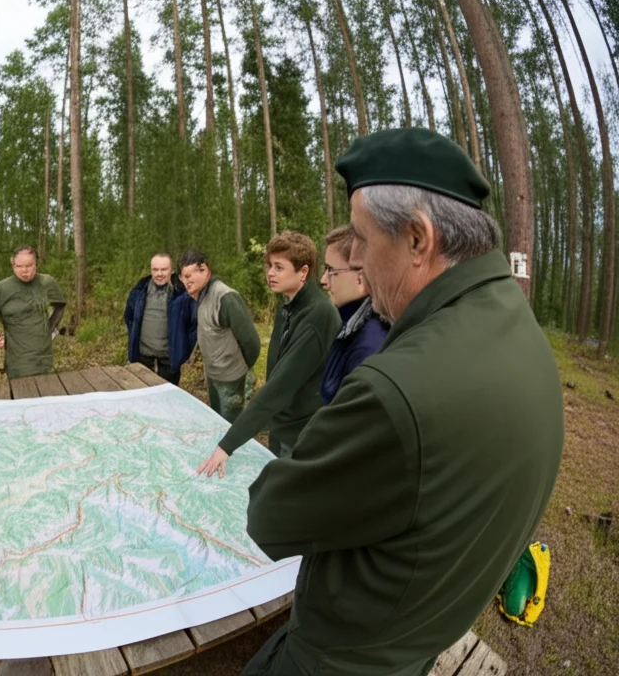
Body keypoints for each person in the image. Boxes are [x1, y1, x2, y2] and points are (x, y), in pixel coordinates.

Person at [242, 128, 563, 675]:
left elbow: (269, 516)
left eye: (363, 243)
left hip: (340, 657)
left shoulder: (398, 389)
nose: (359, 264)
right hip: (416, 637)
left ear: (418, 239)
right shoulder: (518, 332)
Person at [198, 232, 340, 477]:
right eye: (269, 266)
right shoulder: (287, 304)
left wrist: (226, 445)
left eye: (279, 267)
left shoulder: (319, 315)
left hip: (302, 435)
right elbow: (275, 368)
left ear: (303, 272)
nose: (270, 273)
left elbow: (281, 385)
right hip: (280, 423)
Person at [179, 249, 260, 422]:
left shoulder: (225, 297)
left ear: (205, 270)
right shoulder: (201, 297)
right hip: (213, 375)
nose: (187, 281)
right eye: (184, 277)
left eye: (190, 275)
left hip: (232, 378)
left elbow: (251, 341)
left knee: (231, 428)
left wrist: (243, 370)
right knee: (218, 421)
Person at [0, 246, 67, 379]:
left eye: (29, 265)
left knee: (44, 394)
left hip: (43, 358)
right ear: (13, 265)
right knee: (21, 394)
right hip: (17, 361)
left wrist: (49, 329)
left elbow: (60, 305)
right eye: (19, 266)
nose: (24, 270)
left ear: (36, 264)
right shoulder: (2, 289)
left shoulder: (47, 282)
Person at [317, 225, 389, 404]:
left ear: (361, 277)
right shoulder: (349, 325)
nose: (323, 280)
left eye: (331, 271)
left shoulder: (369, 347)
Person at [122, 252, 197, 385]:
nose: (159, 274)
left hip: (169, 357)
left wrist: (183, 349)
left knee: (167, 396)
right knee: (142, 392)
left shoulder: (182, 293)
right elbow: (129, 317)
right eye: (155, 270)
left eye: (164, 269)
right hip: (142, 354)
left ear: (172, 270)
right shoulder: (140, 290)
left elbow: (193, 325)